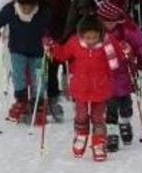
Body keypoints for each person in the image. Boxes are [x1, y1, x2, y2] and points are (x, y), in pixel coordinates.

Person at [46, 16, 122, 162]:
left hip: (100, 88)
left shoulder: (107, 43)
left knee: (98, 118)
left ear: (100, 34)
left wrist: (125, 50)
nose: (91, 41)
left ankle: (99, 143)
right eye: (87, 37)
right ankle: (81, 135)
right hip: (81, 88)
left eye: (94, 37)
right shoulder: (75, 43)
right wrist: (52, 47)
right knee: (81, 115)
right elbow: (62, 54)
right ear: (81, 35)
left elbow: (117, 61)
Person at [96, 0, 142, 152]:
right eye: (106, 21)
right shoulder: (98, 32)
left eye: (112, 21)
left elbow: (139, 43)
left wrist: (140, 56)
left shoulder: (127, 29)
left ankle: (125, 123)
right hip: (106, 75)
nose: (109, 24)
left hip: (125, 74)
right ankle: (112, 133)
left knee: (126, 105)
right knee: (110, 106)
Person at [0, 0, 51, 125]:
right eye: (23, 6)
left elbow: (50, 27)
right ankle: (21, 100)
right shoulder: (11, 10)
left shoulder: (43, 12)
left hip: (39, 52)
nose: (26, 9)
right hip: (17, 50)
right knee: (18, 75)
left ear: (35, 5)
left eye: (29, 7)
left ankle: (38, 102)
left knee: (40, 77)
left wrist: (48, 37)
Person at [43, 0, 72, 122]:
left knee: (69, 61)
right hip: (52, 29)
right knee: (52, 65)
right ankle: (52, 98)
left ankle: (69, 90)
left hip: (67, 27)